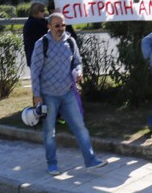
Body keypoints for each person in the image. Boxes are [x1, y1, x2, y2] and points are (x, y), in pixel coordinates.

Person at [30, 13, 107, 175]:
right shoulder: (41, 44)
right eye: (57, 25)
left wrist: (78, 71)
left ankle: (90, 160)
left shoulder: (70, 42)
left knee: (80, 127)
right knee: (49, 131)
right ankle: (52, 164)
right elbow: (35, 72)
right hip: (48, 94)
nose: (60, 28)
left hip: (67, 93)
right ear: (49, 27)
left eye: (62, 25)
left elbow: (77, 62)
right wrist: (37, 95)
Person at [23, 2, 48, 67]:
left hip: (31, 56)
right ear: (36, 12)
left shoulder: (29, 22)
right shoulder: (37, 23)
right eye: (42, 11)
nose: (44, 13)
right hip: (38, 57)